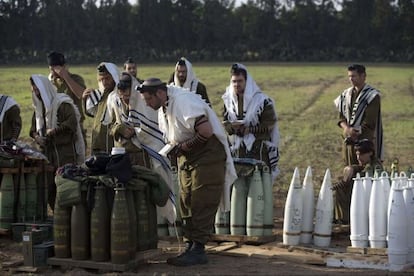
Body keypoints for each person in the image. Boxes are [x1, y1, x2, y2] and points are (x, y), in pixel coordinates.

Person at [138, 78, 237, 266]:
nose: (147, 104)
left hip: (207, 155)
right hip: (189, 156)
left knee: (201, 198)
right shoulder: (164, 107)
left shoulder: (183, 102)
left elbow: (206, 131)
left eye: (149, 99)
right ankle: (190, 245)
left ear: (159, 93)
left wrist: (184, 147)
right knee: (186, 200)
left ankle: (198, 249)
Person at [110, 72, 176, 223]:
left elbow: (154, 131)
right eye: (122, 97)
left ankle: (162, 224)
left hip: (148, 156)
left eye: (127, 96)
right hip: (128, 157)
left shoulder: (146, 104)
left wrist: (137, 132)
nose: (125, 100)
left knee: (154, 191)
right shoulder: (116, 102)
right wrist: (119, 129)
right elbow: (112, 125)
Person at [29, 74, 85, 210]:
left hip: (64, 153)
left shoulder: (62, 103)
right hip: (47, 154)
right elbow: (32, 129)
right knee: (48, 189)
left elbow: (71, 123)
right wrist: (37, 137)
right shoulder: (39, 107)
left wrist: (54, 131)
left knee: (66, 189)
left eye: (38, 90)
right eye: (34, 90)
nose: (37, 93)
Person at [222, 63, 280, 181]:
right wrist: (233, 128)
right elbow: (225, 122)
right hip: (237, 150)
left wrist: (249, 130)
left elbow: (269, 124)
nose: (236, 84)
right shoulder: (228, 101)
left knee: (258, 187)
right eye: (234, 81)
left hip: (258, 150)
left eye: (240, 81)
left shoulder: (262, 101)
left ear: (246, 81)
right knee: (238, 187)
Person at [334, 64, 383, 167]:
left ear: (363, 76)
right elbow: (341, 118)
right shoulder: (345, 94)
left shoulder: (372, 96)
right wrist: (347, 129)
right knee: (349, 169)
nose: (351, 79)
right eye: (349, 76)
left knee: (365, 171)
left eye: (354, 76)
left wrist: (354, 132)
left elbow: (370, 121)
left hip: (364, 142)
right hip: (348, 141)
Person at [332, 139, 383, 224]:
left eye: (362, 154)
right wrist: (351, 168)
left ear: (370, 153)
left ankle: (345, 219)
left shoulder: (375, 166)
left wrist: (351, 174)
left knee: (342, 189)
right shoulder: (366, 164)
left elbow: (365, 177)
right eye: (357, 155)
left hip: (367, 202)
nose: (359, 158)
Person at [47, 51, 87, 144]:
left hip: (74, 125)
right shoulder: (50, 82)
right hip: (56, 126)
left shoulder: (76, 79)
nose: (53, 72)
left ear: (64, 66)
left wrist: (65, 76)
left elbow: (81, 94)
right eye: (51, 69)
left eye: (56, 69)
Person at [83, 62, 119, 154]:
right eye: (102, 79)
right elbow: (93, 113)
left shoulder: (119, 96)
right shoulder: (100, 95)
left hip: (112, 143)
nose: (104, 82)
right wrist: (85, 100)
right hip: (97, 142)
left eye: (107, 78)